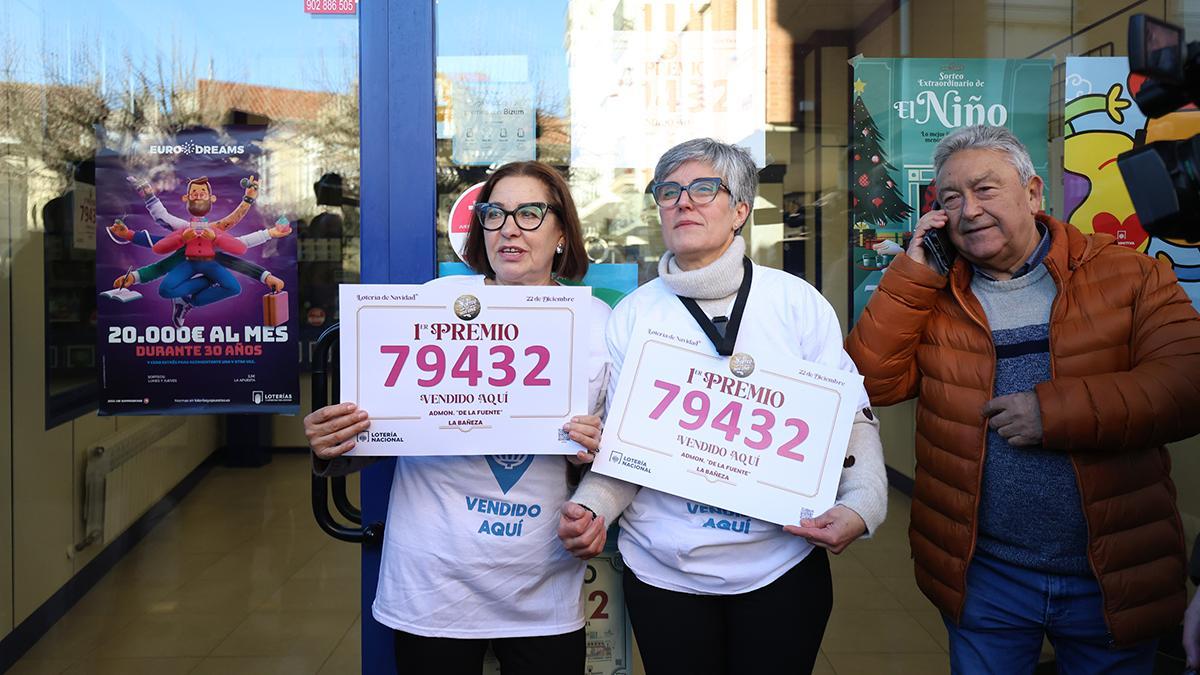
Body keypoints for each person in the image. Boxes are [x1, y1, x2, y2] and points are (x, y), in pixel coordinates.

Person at [846, 124, 1200, 674]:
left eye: (985, 190)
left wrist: (1053, 412)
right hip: (985, 575)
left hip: (1112, 571)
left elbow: (1187, 384)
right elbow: (870, 383)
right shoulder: (936, 293)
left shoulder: (1130, 274)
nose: (969, 210)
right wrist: (913, 275)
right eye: (951, 198)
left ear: (1033, 193)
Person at [557, 138, 888, 675]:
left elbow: (848, 417)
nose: (683, 201)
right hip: (663, 574)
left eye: (704, 188)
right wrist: (592, 506)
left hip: (780, 568)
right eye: (669, 191)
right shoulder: (633, 315)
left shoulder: (796, 302)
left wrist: (862, 503)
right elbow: (624, 451)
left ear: (740, 210)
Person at [303, 161, 610, 675]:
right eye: (495, 214)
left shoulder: (597, 324)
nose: (509, 228)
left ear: (562, 233)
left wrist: (591, 463)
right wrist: (334, 444)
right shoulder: (432, 306)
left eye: (530, 213)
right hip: (431, 582)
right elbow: (376, 439)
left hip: (543, 583)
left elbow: (611, 462)